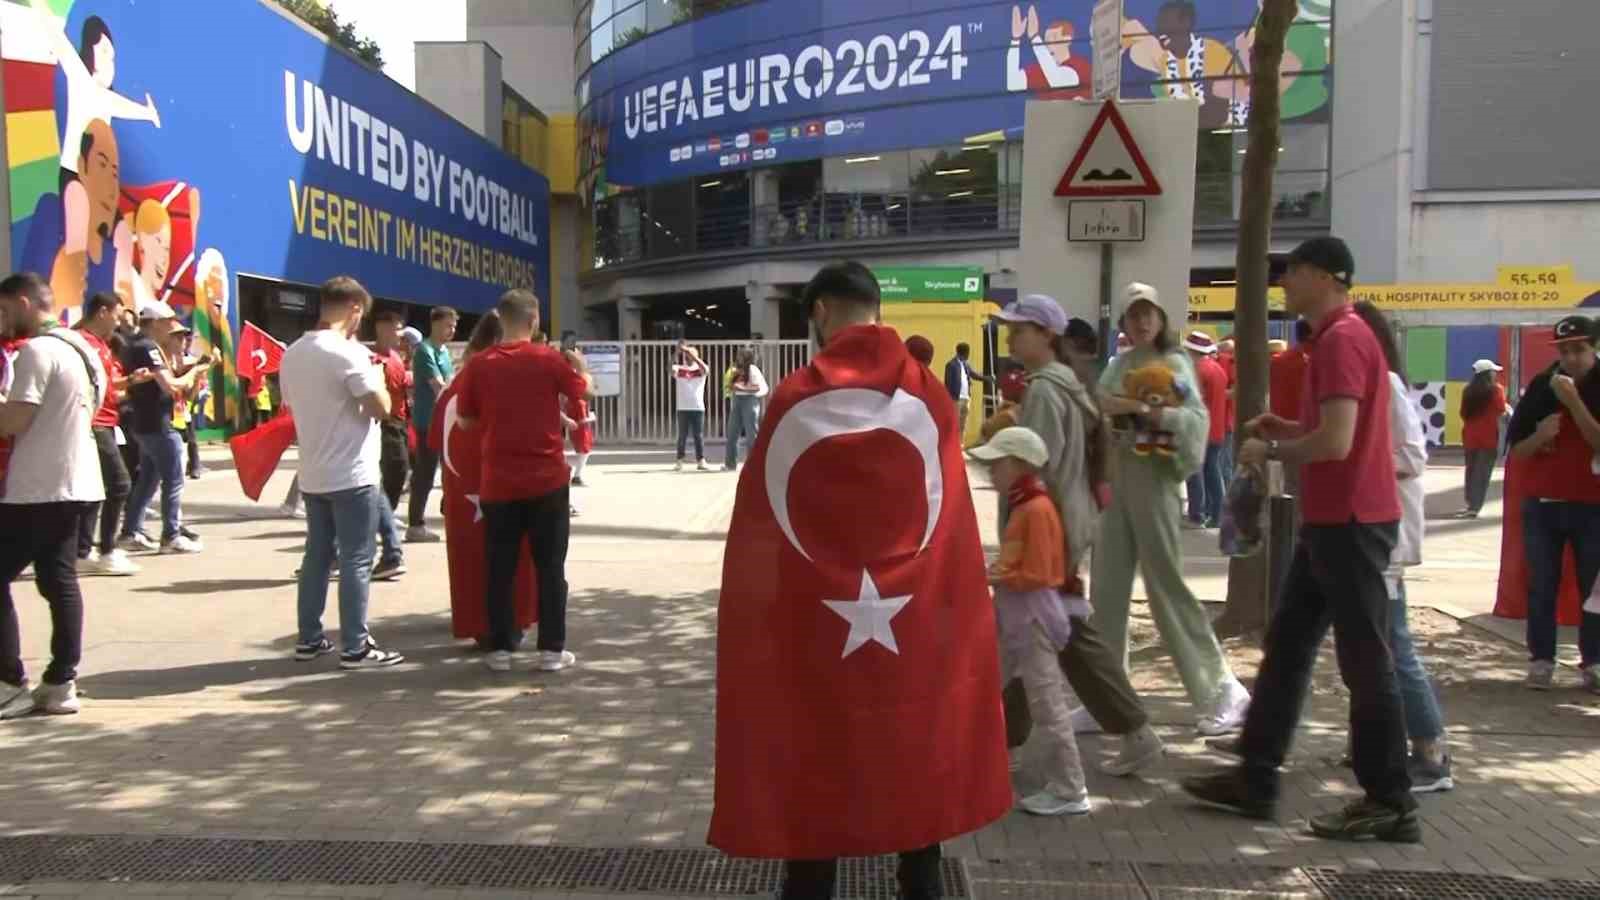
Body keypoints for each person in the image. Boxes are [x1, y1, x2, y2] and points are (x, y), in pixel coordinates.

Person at [709, 262, 1009, 900]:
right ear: (876, 310)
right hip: (914, 615)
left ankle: (812, 880)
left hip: (818, 622)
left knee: (816, 731)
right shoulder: (928, 393)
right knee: (914, 733)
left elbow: (763, 525)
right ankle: (920, 877)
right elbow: (948, 517)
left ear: (819, 312)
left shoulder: (793, 396)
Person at [1182, 236, 1419, 843]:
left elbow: (1336, 444)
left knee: (1365, 662)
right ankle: (1255, 777)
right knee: (1288, 648)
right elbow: (1338, 432)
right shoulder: (1338, 338)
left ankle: (1391, 801)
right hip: (1335, 521)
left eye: (1292, 273)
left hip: (1352, 523)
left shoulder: (1341, 339)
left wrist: (1273, 447)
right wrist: (1289, 429)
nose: (1284, 283)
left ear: (1323, 276)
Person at [991, 294, 1163, 776]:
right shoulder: (1066, 386)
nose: (1011, 337)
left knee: (1037, 634)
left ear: (1046, 335)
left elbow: (1033, 468)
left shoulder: (1046, 391)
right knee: (1036, 634)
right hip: (1063, 527)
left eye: (1019, 329)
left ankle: (1005, 743)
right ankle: (1004, 740)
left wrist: (1023, 539)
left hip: (1048, 531)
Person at [1094, 283, 1251, 736]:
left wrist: (1148, 412)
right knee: (1105, 591)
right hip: (1119, 480)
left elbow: (1194, 420)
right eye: (1133, 314)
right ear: (1123, 322)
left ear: (1162, 319)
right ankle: (1108, 698)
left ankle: (1222, 689)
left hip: (1156, 480)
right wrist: (1128, 407)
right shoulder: (1120, 364)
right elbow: (1100, 403)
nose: (1142, 322)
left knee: (1167, 590)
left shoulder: (1178, 364)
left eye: (1150, 313)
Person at [455, 290, 591, 673]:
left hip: (498, 482)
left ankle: (499, 648)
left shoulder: (479, 365)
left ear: (500, 319)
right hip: (547, 480)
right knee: (551, 566)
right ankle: (551, 649)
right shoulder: (550, 360)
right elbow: (584, 392)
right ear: (533, 321)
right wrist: (580, 367)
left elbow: (465, 421)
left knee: (499, 566)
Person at [279, 276, 404, 670]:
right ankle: (355, 646)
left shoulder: (293, 353)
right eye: (360, 317)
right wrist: (381, 380)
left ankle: (310, 638)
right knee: (356, 558)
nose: (359, 325)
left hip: (314, 471)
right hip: (352, 473)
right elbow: (380, 406)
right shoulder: (347, 353)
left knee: (317, 555)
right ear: (354, 309)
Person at [1353, 301, 1452, 792]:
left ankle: (1430, 750)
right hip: (1362, 534)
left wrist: (1354, 460)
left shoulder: (1386, 386)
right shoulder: (1368, 385)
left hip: (1383, 537)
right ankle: (1377, 742)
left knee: (1393, 645)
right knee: (1369, 645)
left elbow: (1412, 456)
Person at [0, 272, 105, 719]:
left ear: (24, 302)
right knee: (58, 580)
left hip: (39, 486)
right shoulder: (85, 350)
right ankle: (62, 680)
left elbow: (14, 421)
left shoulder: (37, 352)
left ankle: (8, 683)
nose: (2, 322)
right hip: (77, 480)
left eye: (4, 311)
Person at [972, 426, 1092, 816]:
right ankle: (973, 762)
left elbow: (1040, 574)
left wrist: (994, 576)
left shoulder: (1034, 507)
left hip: (1031, 615)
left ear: (1018, 464)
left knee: (1047, 704)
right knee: (982, 684)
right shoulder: (1029, 504)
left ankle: (1071, 788)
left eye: (997, 465)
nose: (992, 474)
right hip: (1016, 612)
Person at [428, 311, 539, 648]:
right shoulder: (501, 386)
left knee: (471, 559)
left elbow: (435, 442)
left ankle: (480, 625)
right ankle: (509, 625)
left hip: (463, 494)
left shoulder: (453, 387)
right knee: (510, 557)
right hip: (506, 488)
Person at [1506, 314, 1600, 691]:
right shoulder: (1542, 385)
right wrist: (1540, 434)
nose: (1571, 358)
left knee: (1591, 587)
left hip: (1592, 505)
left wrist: (1574, 402)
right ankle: (1541, 660)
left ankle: (1592, 660)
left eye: (1579, 349)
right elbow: (1519, 448)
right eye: (1564, 351)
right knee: (1541, 583)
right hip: (1542, 505)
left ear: (1594, 348)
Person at [119, 301, 202, 554]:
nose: (171, 326)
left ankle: (131, 531)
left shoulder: (137, 346)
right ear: (155, 323)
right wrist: (197, 369)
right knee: (173, 481)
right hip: (158, 423)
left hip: (145, 422)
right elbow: (171, 386)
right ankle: (171, 535)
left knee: (147, 481)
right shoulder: (148, 347)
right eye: (167, 322)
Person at [73, 292, 140, 576]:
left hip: (107, 421)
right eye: (118, 314)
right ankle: (108, 550)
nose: (120, 320)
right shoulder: (81, 343)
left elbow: (107, 385)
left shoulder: (100, 344)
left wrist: (131, 382)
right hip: (94, 423)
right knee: (120, 483)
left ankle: (83, 551)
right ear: (102, 312)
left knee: (96, 490)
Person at [407, 305, 457, 543]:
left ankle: (451, 514)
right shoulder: (424, 351)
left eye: (454, 326)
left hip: (445, 420)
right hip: (428, 420)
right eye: (448, 325)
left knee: (450, 471)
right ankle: (415, 524)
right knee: (425, 474)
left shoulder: (444, 352)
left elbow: (450, 383)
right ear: (435, 324)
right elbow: (440, 386)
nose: (452, 330)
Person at [1183, 331, 1229, 529]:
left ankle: (1197, 514)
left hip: (1200, 430)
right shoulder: (1218, 369)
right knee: (1212, 471)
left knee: (1195, 472)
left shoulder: (1197, 371)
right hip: (1218, 428)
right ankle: (1217, 514)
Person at [372, 310, 412, 513]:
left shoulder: (396, 357)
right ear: (382, 328)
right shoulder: (373, 359)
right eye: (397, 329)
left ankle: (384, 514)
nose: (401, 334)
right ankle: (382, 515)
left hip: (402, 422)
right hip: (386, 423)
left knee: (399, 471)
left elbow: (403, 381)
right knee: (397, 468)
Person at [1457, 359, 1509, 519]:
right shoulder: (1496, 390)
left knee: (1471, 470)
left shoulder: (1467, 390)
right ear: (1488, 373)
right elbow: (1501, 410)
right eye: (1493, 371)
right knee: (1482, 472)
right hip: (1489, 437)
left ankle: (1470, 503)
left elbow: (1463, 413)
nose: (1496, 373)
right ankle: (1474, 507)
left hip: (1470, 437)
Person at [1270, 320, 1312, 494]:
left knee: (1291, 487)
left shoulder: (1279, 362)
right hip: (1309, 432)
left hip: (1284, 433)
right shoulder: (1313, 361)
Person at [724, 349, 767, 471]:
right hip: (737, 400)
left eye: (741, 355)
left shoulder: (753, 370)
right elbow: (730, 384)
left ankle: (753, 465)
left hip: (750, 401)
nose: (738, 358)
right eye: (738, 355)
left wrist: (742, 388)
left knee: (751, 434)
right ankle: (730, 464)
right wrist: (732, 386)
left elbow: (757, 387)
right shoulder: (735, 369)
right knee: (732, 433)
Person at [944, 342, 992, 439]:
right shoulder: (951, 364)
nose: (968, 355)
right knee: (955, 424)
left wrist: (987, 378)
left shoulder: (966, 364)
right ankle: (954, 445)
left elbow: (974, 375)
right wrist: (950, 398)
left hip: (966, 398)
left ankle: (960, 445)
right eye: (967, 353)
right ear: (963, 353)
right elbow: (947, 382)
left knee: (963, 424)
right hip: (956, 399)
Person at [672, 342, 709, 471]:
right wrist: (677, 352)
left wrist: (693, 356)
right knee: (682, 435)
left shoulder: (700, 370)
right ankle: (679, 460)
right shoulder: (679, 368)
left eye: (690, 355)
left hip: (697, 407)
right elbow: (670, 369)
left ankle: (701, 460)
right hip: (682, 407)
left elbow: (705, 369)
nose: (687, 357)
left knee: (698, 435)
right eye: (686, 355)